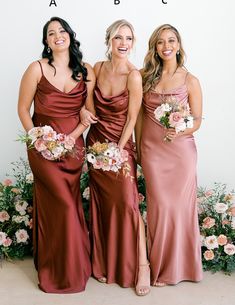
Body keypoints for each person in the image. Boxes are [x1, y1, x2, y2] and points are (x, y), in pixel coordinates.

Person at [17, 16, 95, 293]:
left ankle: (76, 265)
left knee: (69, 204)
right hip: (43, 150)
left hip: (74, 148)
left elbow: (88, 111)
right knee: (61, 205)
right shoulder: (36, 68)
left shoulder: (86, 71)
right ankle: (58, 271)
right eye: (51, 33)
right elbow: (23, 110)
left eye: (62, 31)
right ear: (46, 42)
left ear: (70, 36)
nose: (58, 36)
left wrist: (78, 126)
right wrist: (39, 138)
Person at [84, 20, 150, 296]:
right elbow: (87, 101)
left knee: (127, 204)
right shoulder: (97, 68)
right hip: (96, 144)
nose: (124, 43)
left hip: (120, 147)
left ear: (133, 43)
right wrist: (88, 120)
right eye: (118, 37)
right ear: (108, 41)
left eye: (129, 38)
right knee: (103, 204)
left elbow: (132, 117)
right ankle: (104, 262)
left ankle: (142, 266)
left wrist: (118, 150)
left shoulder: (134, 76)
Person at [136, 24, 203, 286]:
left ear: (178, 45)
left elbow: (197, 121)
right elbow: (140, 116)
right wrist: (140, 149)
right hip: (153, 152)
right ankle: (161, 267)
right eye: (161, 42)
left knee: (180, 210)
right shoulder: (145, 77)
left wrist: (181, 129)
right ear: (154, 47)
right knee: (159, 210)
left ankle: (183, 269)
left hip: (181, 153)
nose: (166, 46)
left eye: (171, 41)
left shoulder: (190, 80)